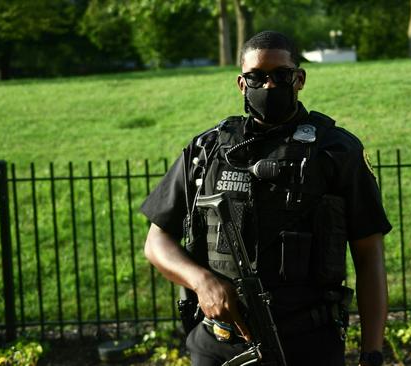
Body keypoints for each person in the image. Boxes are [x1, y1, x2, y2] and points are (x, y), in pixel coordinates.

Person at [141, 30, 391, 366]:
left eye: (280, 75)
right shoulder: (208, 150)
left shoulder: (336, 150)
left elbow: (369, 256)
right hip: (219, 345)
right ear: (241, 84)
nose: (269, 85)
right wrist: (202, 283)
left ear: (299, 79)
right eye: (257, 77)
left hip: (308, 345)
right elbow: (156, 243)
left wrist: (372, 353)